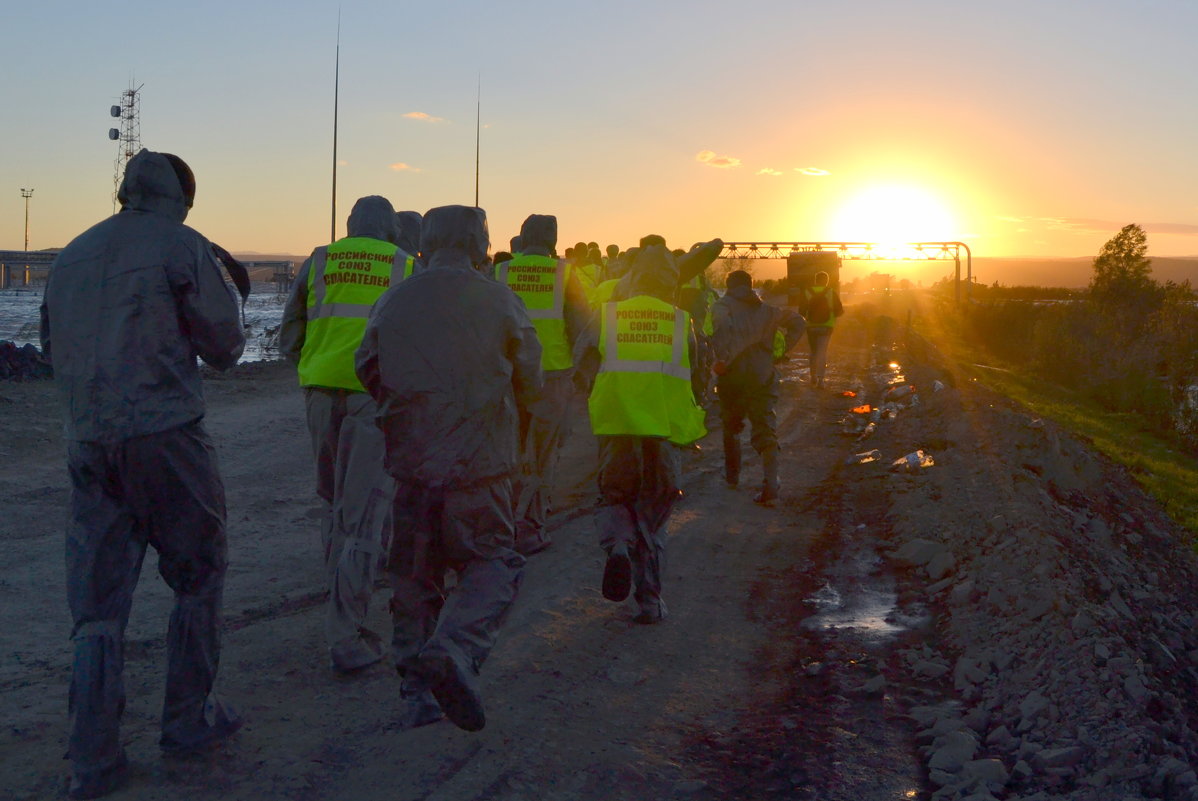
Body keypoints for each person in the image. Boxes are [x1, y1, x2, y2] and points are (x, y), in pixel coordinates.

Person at [39, 150, 246, 799]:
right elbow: (226, 347)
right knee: (199, 572)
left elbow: (51, 347)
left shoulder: (69, 254)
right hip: (164, 437)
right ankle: (187, 718)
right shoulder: (183, 245)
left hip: (87, 440)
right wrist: (227, 285)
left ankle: (93, 758)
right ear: (181, 198)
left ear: (125, 191)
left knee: (97, 607)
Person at [355, 204, 542, 732]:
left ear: (427, 243)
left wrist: (406, 414)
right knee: (493, 563)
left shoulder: (393, 299)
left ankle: (417, 692)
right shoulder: (501, 299)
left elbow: (367, 366)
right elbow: (532, 376)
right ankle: (455, 650)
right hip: (480, 467)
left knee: (415, 577)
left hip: (412, 464)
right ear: (481, 245)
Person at [280, 195, 413, 674]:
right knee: (364, 515)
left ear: (350, 225)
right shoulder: (404, 266)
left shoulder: (321, 259)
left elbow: (290, 329)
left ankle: (336, 588)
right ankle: (346, 634)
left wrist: (310, 368)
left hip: (320, 394)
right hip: (372, 397)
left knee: (333, 503)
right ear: (392, 228)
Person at [574, 245, 707, 624]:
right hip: (662, 432)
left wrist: (598, 397)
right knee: (654, 515)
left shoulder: (607, 316)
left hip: (615, 429)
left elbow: (583, 364)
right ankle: (649, 600)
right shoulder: (682, 321)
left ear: (632, 277)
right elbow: (697, 375)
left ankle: (617, 543)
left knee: (613, 497)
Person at [494, 214, 590, 555]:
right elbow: (582, 327)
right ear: (553, 239)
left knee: (508, 450)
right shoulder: (567, 274)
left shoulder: (501, 272)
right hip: (552, 374)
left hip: (507, 376)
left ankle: (501, 522)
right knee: (543, 454)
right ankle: (531, 527)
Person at [711, 270, 805, 506]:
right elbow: (798, 321)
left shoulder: (721, 307)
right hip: (763, 376)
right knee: (765, 428)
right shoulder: (767, 310)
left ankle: (732, 478)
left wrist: (721, 358)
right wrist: (782, 351)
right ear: (750, 285)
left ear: (728, 286)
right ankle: (771, 487)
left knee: (731, 426)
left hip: (732, 378)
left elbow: (716, 331)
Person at [802, 270, 844, 389]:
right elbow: (840, 311)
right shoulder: (831, 292)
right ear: (826, 281)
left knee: (813, 352)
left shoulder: (807, 292)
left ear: (815, 281)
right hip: (826, 326)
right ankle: (821, 380)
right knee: (822, 352)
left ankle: (812, 377)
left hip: (811, 326)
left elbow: (801, 311)